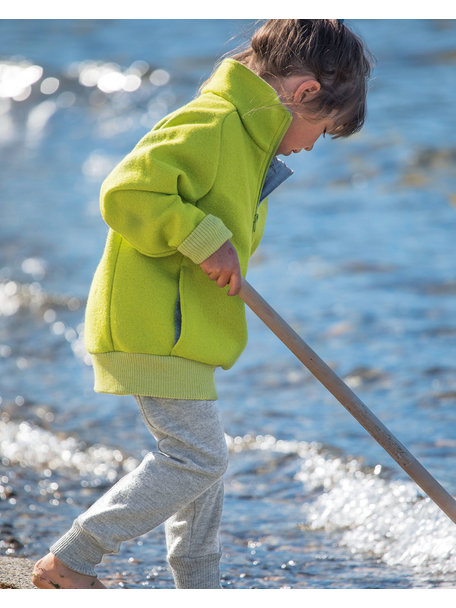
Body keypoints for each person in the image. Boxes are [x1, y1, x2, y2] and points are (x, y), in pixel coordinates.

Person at [32, 19, 372, 589]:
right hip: (154, 322)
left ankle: (198, 582)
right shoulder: (214, 122)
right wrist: (204, 237)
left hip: (181, 326)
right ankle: (72, 558)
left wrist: (209, 238)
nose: (312, 144)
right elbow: (127, 190)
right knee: (197, 459)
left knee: (203, 466)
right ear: (306, 94)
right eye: (322, 128)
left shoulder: (242, 136)